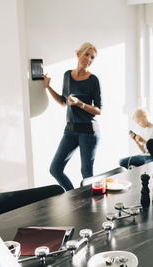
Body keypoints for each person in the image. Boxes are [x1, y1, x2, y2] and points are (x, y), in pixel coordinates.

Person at [44, 42, 102, 191]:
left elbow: (98, 110)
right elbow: (64, 102)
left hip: (89, 131)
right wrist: (48, 86)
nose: (88, 59)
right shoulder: (67, 75)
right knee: (55, 169)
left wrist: (80, 104)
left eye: (92, 57)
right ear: (78, 54)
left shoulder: (93, 80)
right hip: (70, 130)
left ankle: (90, 208)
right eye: (86, 55)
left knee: (86, 173)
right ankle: (74, 197)